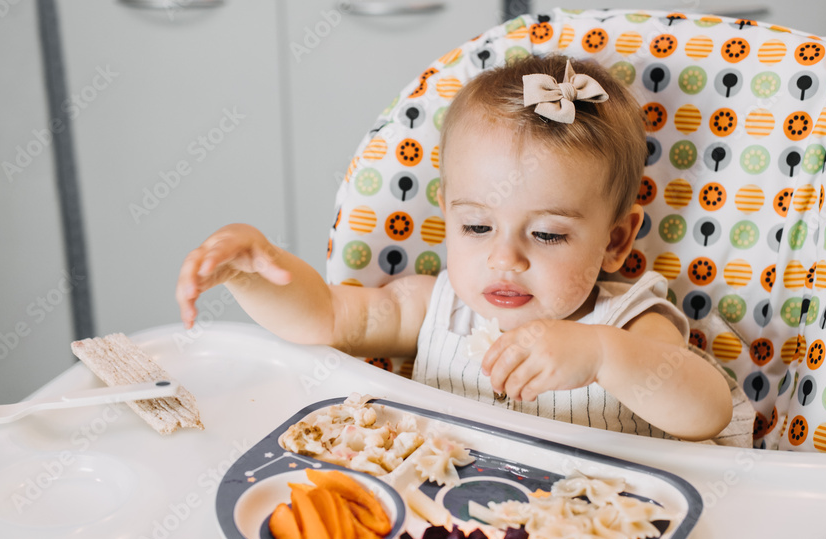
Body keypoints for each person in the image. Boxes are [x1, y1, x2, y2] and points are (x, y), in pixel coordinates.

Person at [176, 55, 749, 445]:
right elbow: (326, 317)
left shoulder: (630, 324)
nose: (505, 259)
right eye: (477, 227)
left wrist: (602, 355)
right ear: (447, 211)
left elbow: (707, 411)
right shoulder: (435, 307)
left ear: (615, 241)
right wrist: (252, 272)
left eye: (547, 235)